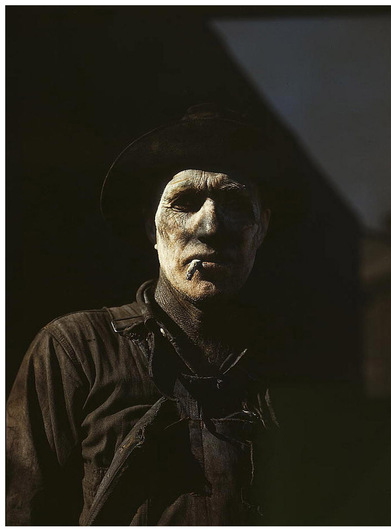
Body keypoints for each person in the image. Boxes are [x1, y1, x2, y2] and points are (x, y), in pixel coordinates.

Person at [7, 103, 283, 526]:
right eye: (185, 201)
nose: (210, 226)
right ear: (150, 228)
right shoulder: (75, 349)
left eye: (234, 203)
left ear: (261, 229)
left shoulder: (290, 367)